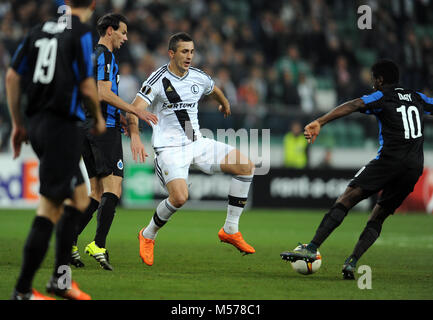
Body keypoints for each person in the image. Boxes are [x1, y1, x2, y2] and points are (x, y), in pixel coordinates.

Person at [280, 59, 433, 279]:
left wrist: (320, 122)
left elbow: (354, 104)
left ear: (380, 80)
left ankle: (311, 248)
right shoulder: (418, 97)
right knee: (378, 216)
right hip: (414, 167)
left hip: (389, 161)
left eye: (374, 80)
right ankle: (351, 263)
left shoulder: (382, 95)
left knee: (347, 198)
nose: (373, 84)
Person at [127, 32, 256, 266]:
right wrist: (135, 136)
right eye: (184, 51)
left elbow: (213, 87)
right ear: (171, 53)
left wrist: (224, 102)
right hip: (169, 148)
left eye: (192, 51)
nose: (189, 56)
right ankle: (148, 234)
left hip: (195, 141)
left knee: (246, 166)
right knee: (179, 197)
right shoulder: (156, 80)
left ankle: (230, 229)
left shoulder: (197, 76)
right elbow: (134, 109)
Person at [6, 0, 106, 300]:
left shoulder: (40, 29)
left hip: (37, 124)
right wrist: (98, 118)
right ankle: (23, 290)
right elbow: (88, 87)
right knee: (50, 207)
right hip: (62, 126)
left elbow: (12, 77)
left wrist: (18, 124)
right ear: (92, 3)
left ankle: (61, 280)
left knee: (77, 198)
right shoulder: (82, 33)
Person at [71, 13, 157, 271]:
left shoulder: (89, 56)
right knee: (114, 189)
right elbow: (103, 92)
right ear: (110, 31)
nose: (125, 38)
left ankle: (68, 241)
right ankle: (98, 244)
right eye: (123, 32)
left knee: (96, 192)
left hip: (86, 127)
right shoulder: (105, 56)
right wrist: (135, 111)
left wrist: (116, 113)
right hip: (102, 129)